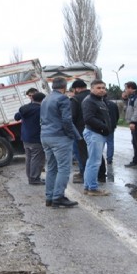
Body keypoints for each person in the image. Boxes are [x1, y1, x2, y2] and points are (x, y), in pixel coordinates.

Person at [40, 77, 81, 208]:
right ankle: (58, 197)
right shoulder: (63, 99)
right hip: (59, 137)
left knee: (51, 168)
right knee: (64, 168)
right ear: (65, 86)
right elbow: (67, 120)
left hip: (46, 136)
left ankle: (49, 197)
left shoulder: (45, 99)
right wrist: (71, 136)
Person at [70, 79, 107, 184]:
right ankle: (101, 176)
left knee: (83, 155)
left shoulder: (76, 99)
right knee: (97, 155)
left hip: (81, 131)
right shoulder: (98, 99)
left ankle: (85, 176)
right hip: (98, 130)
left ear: (77, 89)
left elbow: (72, 118)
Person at [81, 80, 111, 196]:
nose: (102, 90)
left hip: (98, 134)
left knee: (91, 161)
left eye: (103, 87)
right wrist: (104, 127)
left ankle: (88, 187)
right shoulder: (89, 101)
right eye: (98, 88)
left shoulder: (100, 101)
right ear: (92, 89)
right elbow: (88, 118)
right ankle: (92, 188)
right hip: (94, 133)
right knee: (94, 162)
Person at [14, 92, 46, 185]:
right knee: (37, 158)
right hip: (36, 137)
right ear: (42, 100)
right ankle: (34, 178)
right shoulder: (40, 109)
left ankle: (31, 177)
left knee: (29, 158)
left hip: (25, 137)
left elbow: (16, 117)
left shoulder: (24, 108)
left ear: (32, 99)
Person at [105, 97, 119, 165]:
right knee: (110, 142)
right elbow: (117, 115)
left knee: (99, 143)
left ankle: (99, 158)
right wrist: (114, 123)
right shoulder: (113, 104)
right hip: (111, 126)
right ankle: (109, 159)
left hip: (100, 126)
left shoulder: (99, 104)